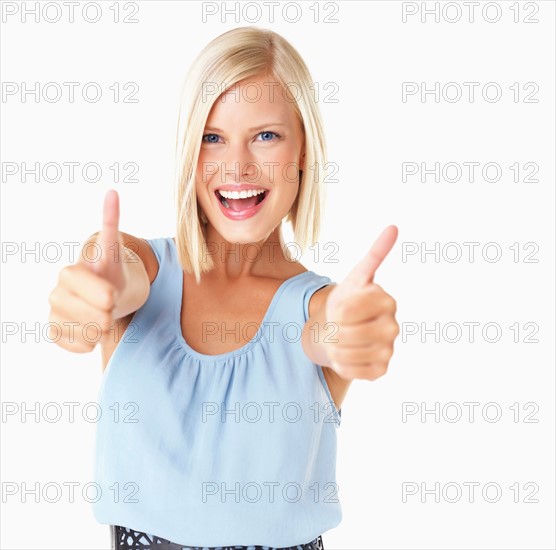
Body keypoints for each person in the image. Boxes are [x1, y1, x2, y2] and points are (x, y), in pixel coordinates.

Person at [47, 26, 399, 550]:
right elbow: (116, 275)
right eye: (213, 138)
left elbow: (328, 332)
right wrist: (92, 297)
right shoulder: (144, 267)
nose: (236, 166)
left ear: (304, 150)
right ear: (190, 150)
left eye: (266, 136)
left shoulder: (319, 306)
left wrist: (355, 333)